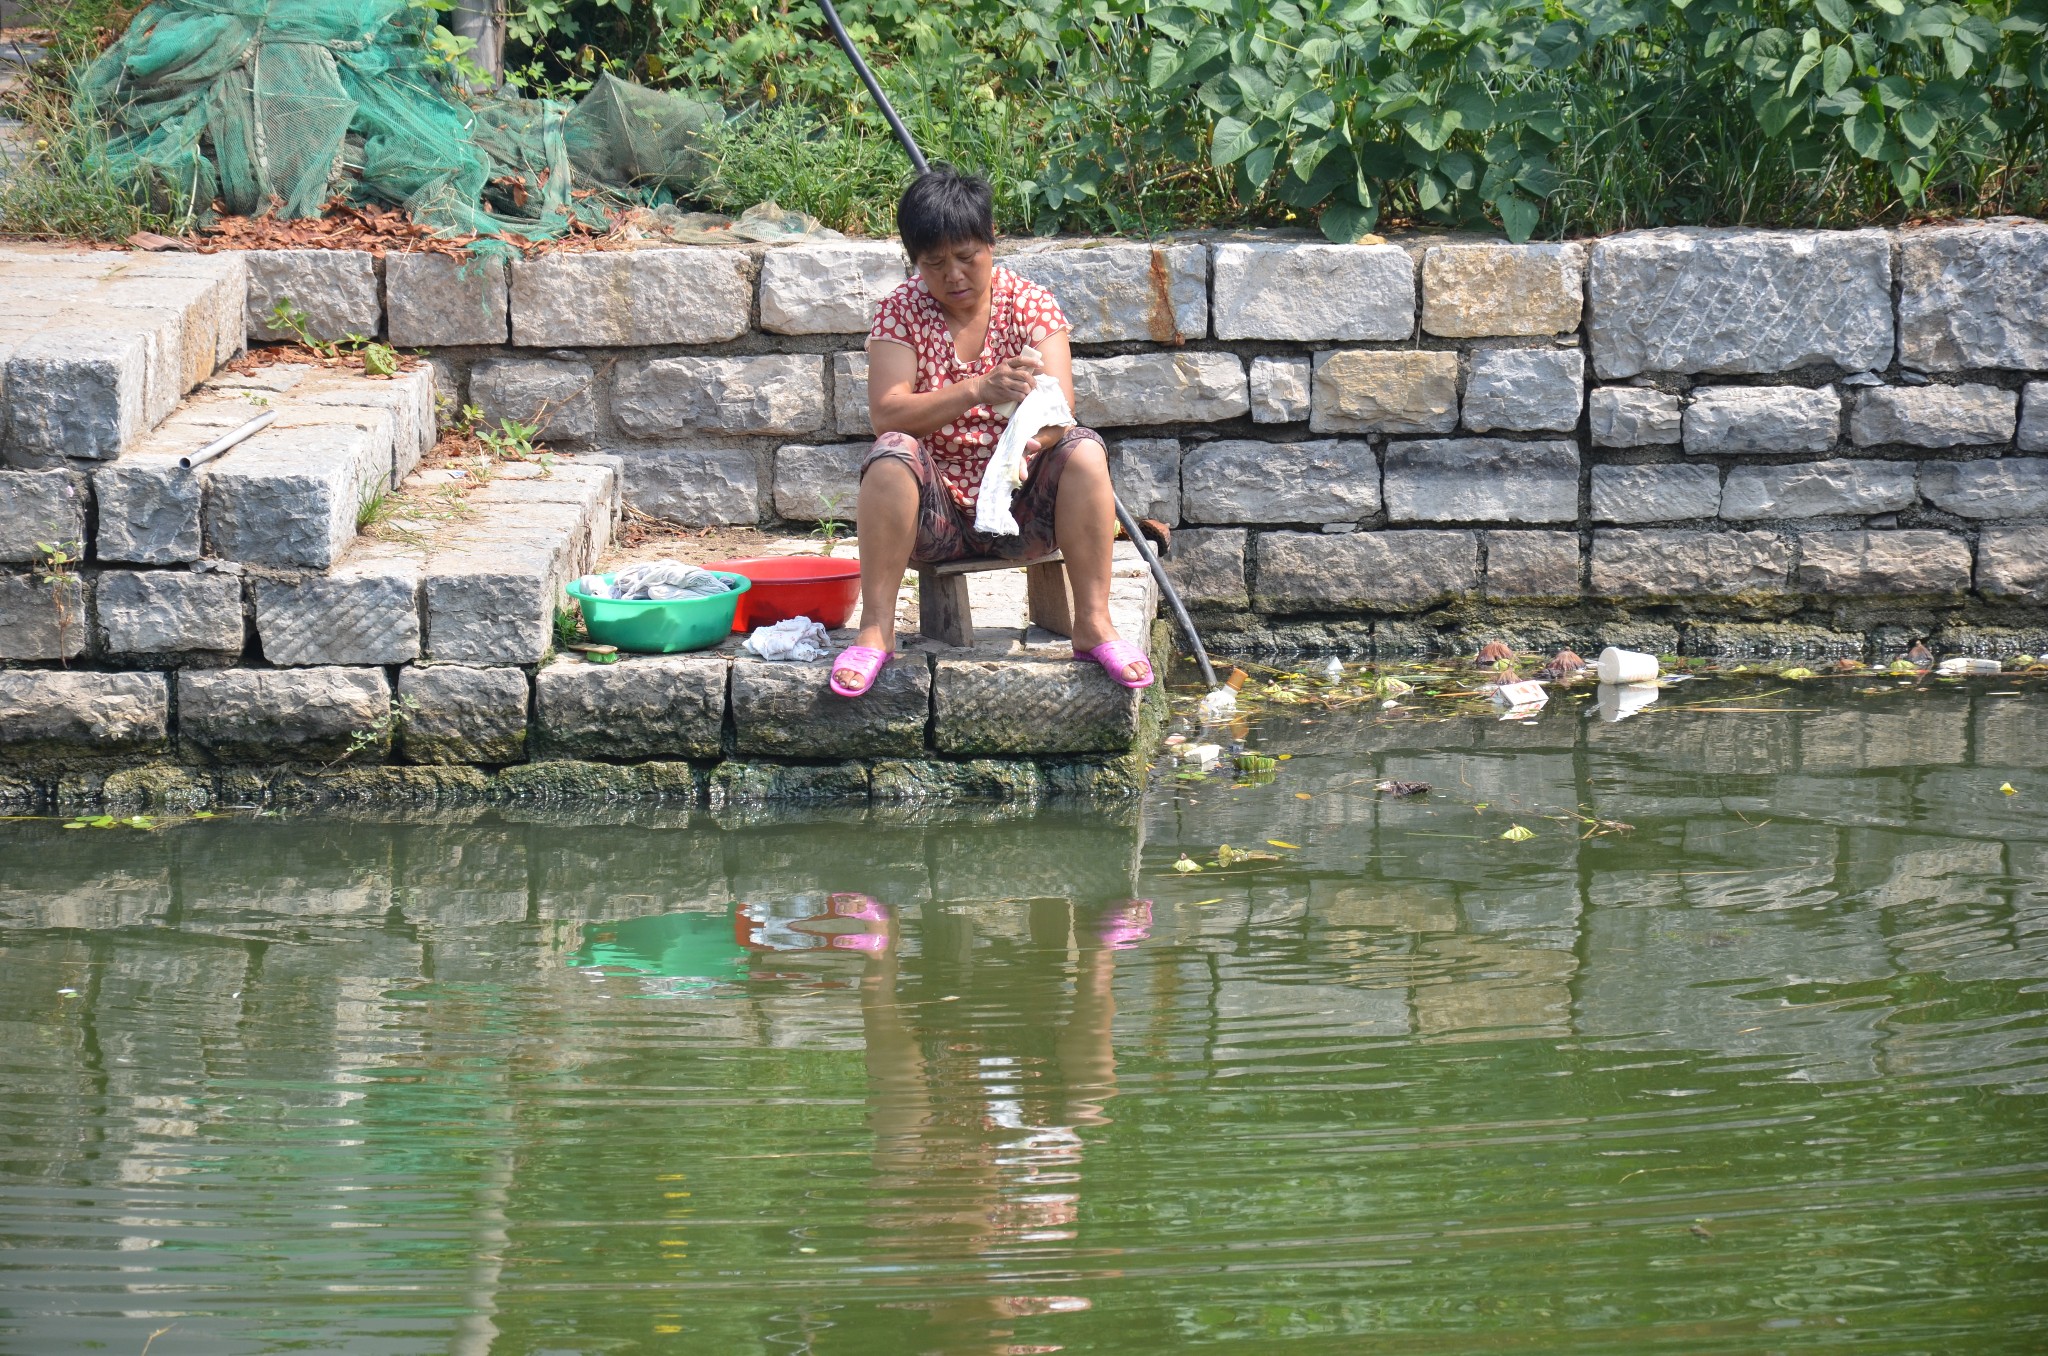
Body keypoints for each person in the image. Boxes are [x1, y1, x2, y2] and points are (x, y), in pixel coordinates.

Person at [828, 164, 1153, 698]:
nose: (953, 275)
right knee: (891, 454)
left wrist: (1031, 445)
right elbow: (887, 413)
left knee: (1085, 450)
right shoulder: (900, 312)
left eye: (966, 257)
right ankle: (876, 630)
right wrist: (976, 389)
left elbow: (1059, 407)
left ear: (990, 244)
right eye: (934, 264)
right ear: (915, 263)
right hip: (939, 520)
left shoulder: (1030, 304)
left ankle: (1093, 623)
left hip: (1022, 508)